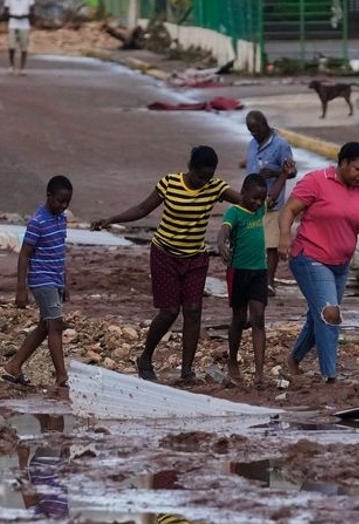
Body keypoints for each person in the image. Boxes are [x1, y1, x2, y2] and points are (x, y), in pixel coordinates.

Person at [92, 146, 242, 384]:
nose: (204, 181)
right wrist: (112, 219)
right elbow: (142, 209)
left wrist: (269, 186)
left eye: (208, 176)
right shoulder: (169, 183)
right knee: (169, 312)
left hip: (195, 257)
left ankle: (187, 371)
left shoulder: (215, 187)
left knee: (193, 310)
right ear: (190, 168)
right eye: (200, 176)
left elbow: (247, 201)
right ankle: (146, 357)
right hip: (165, 254)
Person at [278, 142, 359, 383]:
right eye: (357, 169)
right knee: (330, 313)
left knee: (319, 315)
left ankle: (293, 360)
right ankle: (329, 376)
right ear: (343, 163)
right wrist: (283, 236)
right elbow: (289, 210)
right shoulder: (317, 181)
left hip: (340, 265)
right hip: (310, 257)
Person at [216, 169, 292, 386]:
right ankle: (233, 362)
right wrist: (221, 244)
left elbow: (274, 195)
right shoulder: (235, 212)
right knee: (239, 319)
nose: (259, 203)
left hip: (259, 272)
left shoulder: (261, 210)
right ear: (243, 193)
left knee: (258, 318)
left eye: (261, 199)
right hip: (238, 272)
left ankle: (260, 373)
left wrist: (284, 176)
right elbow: (224, 230)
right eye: (254, 198)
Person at [2, 175, 73, 389]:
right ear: (49, 196)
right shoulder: (38, 221)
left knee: (45, 326)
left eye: (67, 202)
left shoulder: (62, 219)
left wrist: (64, 282)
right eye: (60, 201)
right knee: (56, 324)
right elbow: (24, 255)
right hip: (41, 280)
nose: (63, 206)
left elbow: (59, 253)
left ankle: (14, 365)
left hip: (55, 279)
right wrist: (20, 288)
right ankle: (61, 375)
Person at [244, 110, 295, 295]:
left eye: (256, 129)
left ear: (265, 125)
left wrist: (274, 172)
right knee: (253, 242)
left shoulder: (281, 145)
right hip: (251, 202)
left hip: (272, 201)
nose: (254, 134)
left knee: (271, 244)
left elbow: (292, 171)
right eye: (250, 130)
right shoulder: (251, 144)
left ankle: (269, 282)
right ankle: (254, 279)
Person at [6, 0, 33, 75]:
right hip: (12, 24)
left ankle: (22, 68)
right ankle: (12, 66)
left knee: (24, 47)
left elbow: (32, 12)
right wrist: (13, 16)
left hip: (24, 25)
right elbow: (5, 12)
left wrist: (24, 16)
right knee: (11, 46)